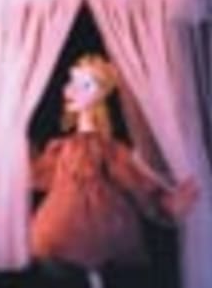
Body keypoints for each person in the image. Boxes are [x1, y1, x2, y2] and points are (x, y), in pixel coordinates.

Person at [31, 54, 199, 288]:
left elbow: (134, 181)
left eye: (84, 85)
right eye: (73, 81)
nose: (72, 89)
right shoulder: (62, 147)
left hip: (105, 224)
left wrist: (167, 202)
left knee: (95, 268)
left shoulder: (108, 149)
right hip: (61, 223)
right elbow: (40, 174)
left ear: (99, 94)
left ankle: (96, 276)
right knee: (59, 259)